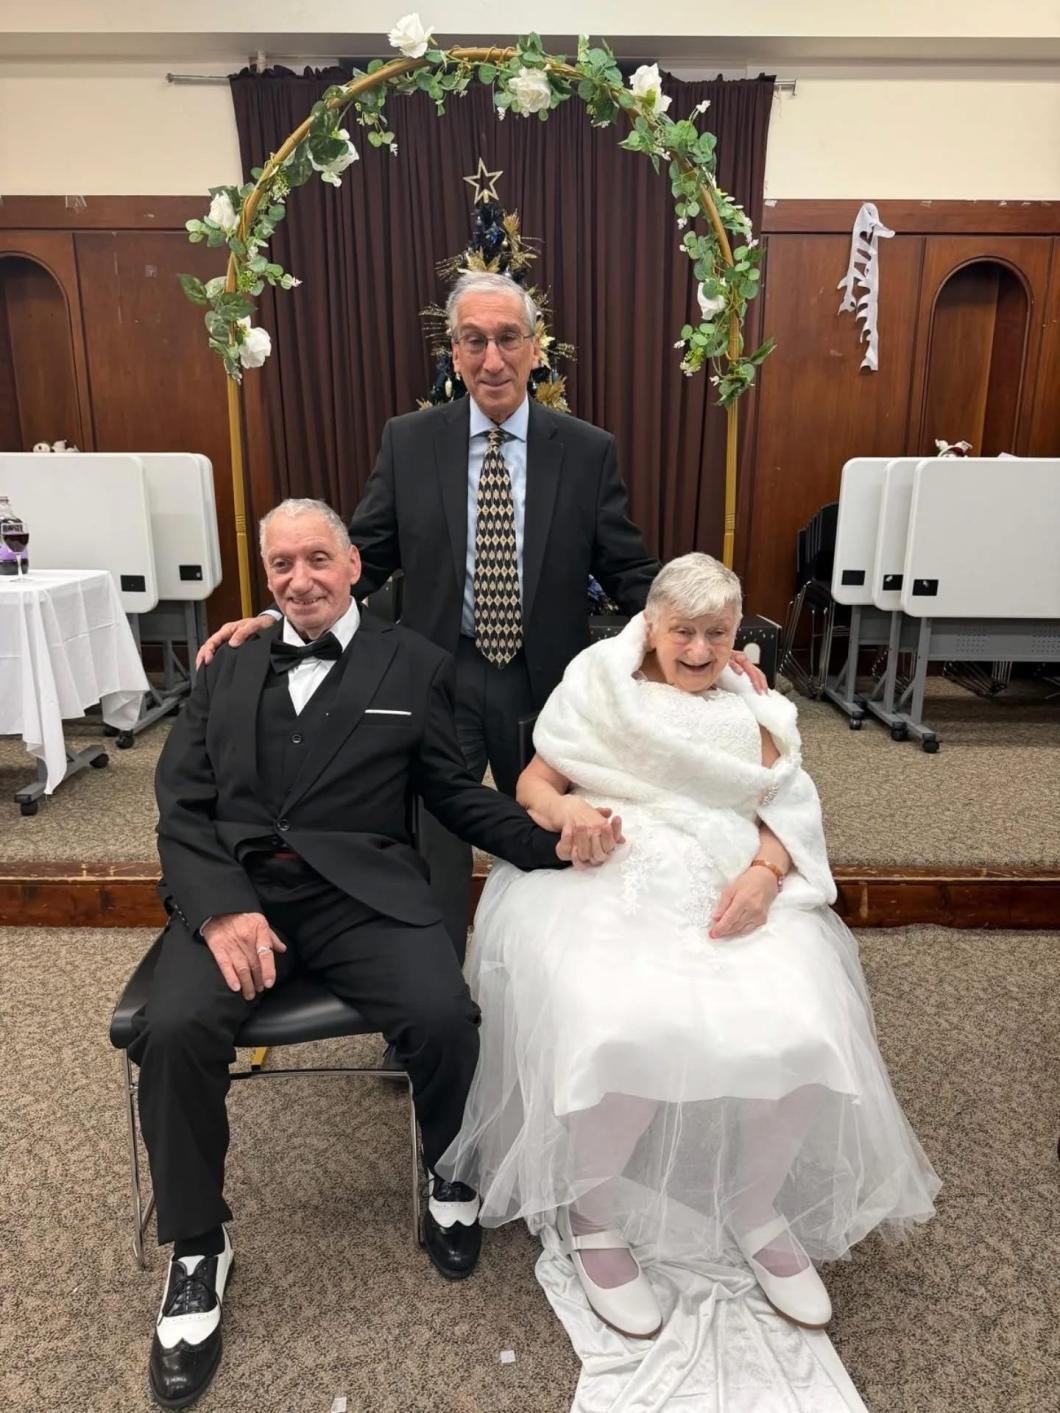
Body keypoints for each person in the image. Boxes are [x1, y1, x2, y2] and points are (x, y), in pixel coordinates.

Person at [130, 498, 623, 1410]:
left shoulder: (417, 664)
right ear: (266, 575)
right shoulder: (225, 662)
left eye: (317, 557)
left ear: (356, 565)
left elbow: (451, 792)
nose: (298, 579)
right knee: (171, 1028)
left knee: (443, 1014)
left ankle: (449, 1165)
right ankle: (198, 1245)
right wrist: (222, 910)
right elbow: (180, 807)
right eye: (280, 565)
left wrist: (550, 841)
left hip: (363, 894)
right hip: (238, 897)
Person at [439, 553, 940, 1341]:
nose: (702, 651)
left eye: (718, 633)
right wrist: (568, 820)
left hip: (729, 886)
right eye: (684, 632)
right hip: (613, 876)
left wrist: (769, 875)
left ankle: (752, 1201)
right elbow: (534, 784)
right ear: (651, 624)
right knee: (627, 1028)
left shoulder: (757, 706)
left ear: (740, 634)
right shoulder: (603, 687)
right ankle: (594, 1212)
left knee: (806, 1026)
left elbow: (789, 808)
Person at [197, 272, 765, 959]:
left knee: (552, 836)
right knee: (431, 844)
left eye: (506, 339)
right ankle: (430, 994)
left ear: (534, 347)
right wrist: (275, 617)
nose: (492, 358)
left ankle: (543, 981)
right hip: (439, 676)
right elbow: (361, 559)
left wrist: (703, 634)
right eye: (474, 341)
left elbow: (627, 571)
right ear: (455, 353)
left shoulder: (586, 451)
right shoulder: (409, 442)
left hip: (547, 682)